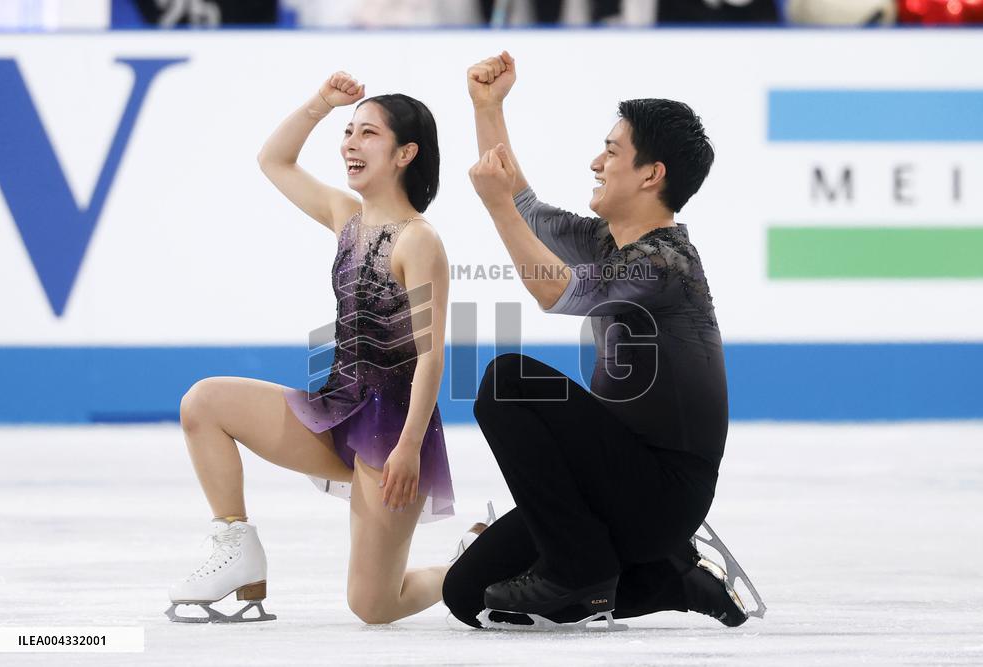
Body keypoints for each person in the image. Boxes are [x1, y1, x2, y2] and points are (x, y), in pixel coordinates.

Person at [442, 51, 765, 630]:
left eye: (611, 151)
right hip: (616, 482)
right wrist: (488, 109)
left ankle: (581, 570)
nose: (596, 162)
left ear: (651, 174)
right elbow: (525, 208)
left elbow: (555, 293)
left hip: (665, 491)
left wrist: (494, 207)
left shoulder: (667, 261)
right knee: (469, 593)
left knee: (509, 381)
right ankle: (673, 578)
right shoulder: (606, 241)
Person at [165, 71, 458, 624]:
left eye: (367, 133)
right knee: (204, 402)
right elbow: (274, 161)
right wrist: (321, 103)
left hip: (391, 434)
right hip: (333, 411)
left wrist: (409, 447)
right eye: (348, 132)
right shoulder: (346, 217)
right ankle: (237, 544)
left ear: (405, 153)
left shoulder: (419, 239)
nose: (350, 142)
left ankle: (469, 563)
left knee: (373, 605)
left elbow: (431, 355)